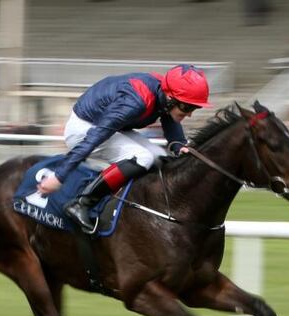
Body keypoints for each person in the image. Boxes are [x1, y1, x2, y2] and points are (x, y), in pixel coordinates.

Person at [37, 64, 212, 232]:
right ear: (170, 98)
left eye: (194, 108)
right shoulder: (136, 101)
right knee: (143, 157)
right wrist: (59, 176)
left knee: (157, 155)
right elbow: (97, 135)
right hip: (85, 128)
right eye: (187, 106)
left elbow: (169, 119)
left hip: (110, 127)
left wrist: (178, 146)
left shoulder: (163, 94)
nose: (189, 113)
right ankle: (81, 203)